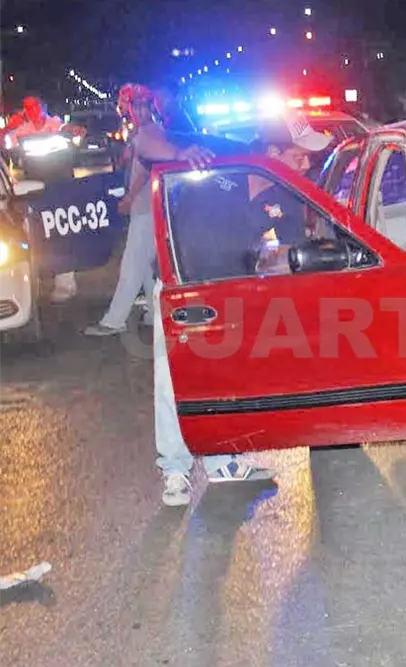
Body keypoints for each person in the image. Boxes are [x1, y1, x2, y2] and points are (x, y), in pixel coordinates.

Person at [153, 112, 332, 506]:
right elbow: (145, 142)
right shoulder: (219, 157)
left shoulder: (285, 195)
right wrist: (180, 151)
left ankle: (222, 461)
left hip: (227, 294)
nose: (308, 164)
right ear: (271, 152)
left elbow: (291, 255)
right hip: (181, 288)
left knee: (222, 380)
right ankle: (176, 471)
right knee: (174, 383)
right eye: (300, 156)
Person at [82, 84, 212, 336]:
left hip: (146, 208)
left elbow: (146, 158)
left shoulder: (148, 134)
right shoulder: (146, 130)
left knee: (132, 264)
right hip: (149, 206)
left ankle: (114, 320)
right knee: (143, 266)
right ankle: (154, 315)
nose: (136, 111)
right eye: (134, 105)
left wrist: (130, 198)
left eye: (139, 105)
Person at [6, 97, 80, 302]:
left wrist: (75, 130)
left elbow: (69, 129)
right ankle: (38, 283)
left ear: (43, 107)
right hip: (35, 192)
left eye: (35, 106)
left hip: (60, 190)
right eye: (27, 108)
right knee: (39, 237)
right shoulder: (22, 131)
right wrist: (8, 128)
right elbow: (5, 144)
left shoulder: (54, 124)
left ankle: (66, 285)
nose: (32, 111)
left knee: (61, 234)